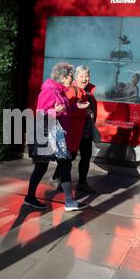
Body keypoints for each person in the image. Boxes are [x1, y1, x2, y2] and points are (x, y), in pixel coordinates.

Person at [26, 62, 88, 211]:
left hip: (57, 135)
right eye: (71, 77)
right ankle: (31, 197)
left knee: (63, 165)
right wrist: (55, 111)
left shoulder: (60, 91)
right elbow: (42, 113)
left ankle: (68, 201)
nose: (72, 80)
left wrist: (76, 107)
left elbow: (65, 109)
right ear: (63, 77)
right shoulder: (49, 91)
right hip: (48, 135)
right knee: (43, 167)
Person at [52, 65, 97, 197]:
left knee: (86, 157)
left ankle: (82, 183)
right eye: (81, 76)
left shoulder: (90, 92)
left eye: (87, 76)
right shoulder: (72, 90)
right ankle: (59, 179)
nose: (85, 79)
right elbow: (67, 110)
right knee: (69, 157)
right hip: (74, 132)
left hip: (86, 131)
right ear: (76, 78)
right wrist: (85, 111)